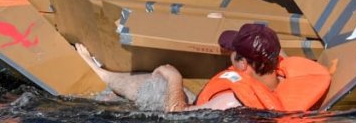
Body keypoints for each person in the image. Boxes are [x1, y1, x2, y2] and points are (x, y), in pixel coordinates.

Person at [74, 23, 329, 112]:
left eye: (233, 53)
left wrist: (175, 78)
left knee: (164, 85)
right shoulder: (284, 74)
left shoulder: (231, 100)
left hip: (193, 113)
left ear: (243, 64)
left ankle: (103, 74)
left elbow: (177, 115)